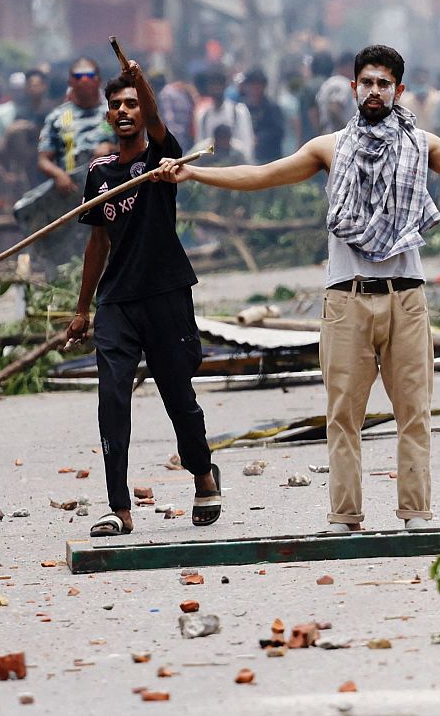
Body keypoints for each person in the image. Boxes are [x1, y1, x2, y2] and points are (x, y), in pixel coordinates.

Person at [155, 45, 440, 532]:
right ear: (354, 88)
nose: (375, 91)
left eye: (384, 84)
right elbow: (262, 175)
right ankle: (344, 517)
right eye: (367, 82)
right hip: (345, 298)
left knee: (413, 411)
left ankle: (416, 514)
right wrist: (193, 172)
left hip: (406, 297)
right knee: (343, 416)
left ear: (399, 90)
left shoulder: (422, 145)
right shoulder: (326, 148)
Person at [66, 65, 220, 537]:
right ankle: (119, 507)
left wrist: (142, 81)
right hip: (118, 301)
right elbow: (97, 244)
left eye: (132, 103)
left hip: (166, 294)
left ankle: (202, 475)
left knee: (179, 397)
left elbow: (156, 123)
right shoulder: (99, 173)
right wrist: (82, 307)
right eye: (117, 105)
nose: (124, 111)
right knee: (111, 398)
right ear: (108, 116)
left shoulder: (161, 160)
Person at [37, 57, 113, 196]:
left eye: (89, 75)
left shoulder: (114, 111)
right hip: (72, 190)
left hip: (110, 186)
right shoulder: (58, 117)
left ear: (98, 80)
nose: (84, 80)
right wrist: (58, 174)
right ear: (70, 82)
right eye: (78, 76)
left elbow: (140, 148)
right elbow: (43, 159)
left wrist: (111, 148)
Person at [243, 69, 286, 163]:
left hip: (270, 158)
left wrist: (259, 138)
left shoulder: (272, 108)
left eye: (258, 85)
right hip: (247, 158)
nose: (255, 88)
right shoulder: (242, 108)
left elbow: (279, 131)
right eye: (252, 85)